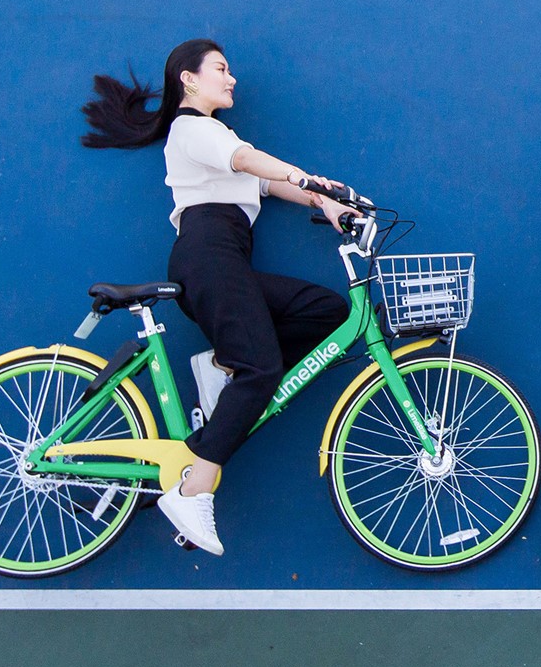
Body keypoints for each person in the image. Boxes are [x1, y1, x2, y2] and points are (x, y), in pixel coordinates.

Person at [81, 38, 354, 555]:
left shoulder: (214, 135)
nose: (231, 80)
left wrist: (327, 199)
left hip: (227, 259)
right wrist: (303, 175)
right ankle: (192, 490)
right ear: (189, 78)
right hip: (207, 256)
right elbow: (249, 161)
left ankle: (225, 369)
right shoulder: (192, 129)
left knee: (328, 311)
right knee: (263, 371)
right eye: (221, 70)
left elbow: (266, 186)